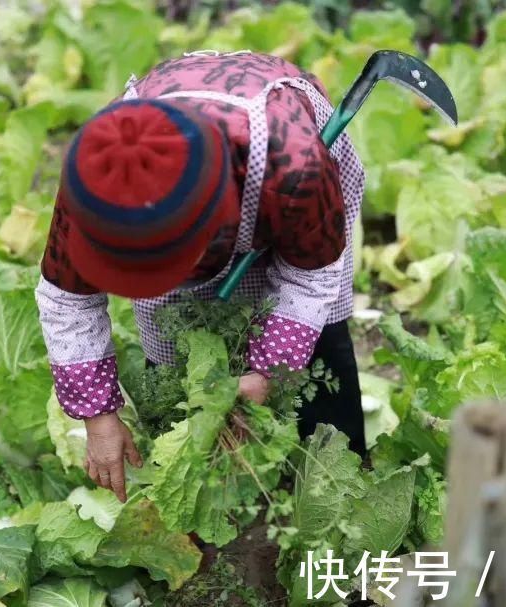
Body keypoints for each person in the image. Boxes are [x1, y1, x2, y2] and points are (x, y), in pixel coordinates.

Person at [36, 49, 367, 504]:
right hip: (200, 174)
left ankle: (339, 474)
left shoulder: (295, 168)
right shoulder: (94, 181)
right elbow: (66, 296)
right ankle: (193, 487)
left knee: (319, 331)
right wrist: (98, 417)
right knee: (170, 339)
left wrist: (269, 371)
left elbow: (311, 274)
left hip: (280, 153)